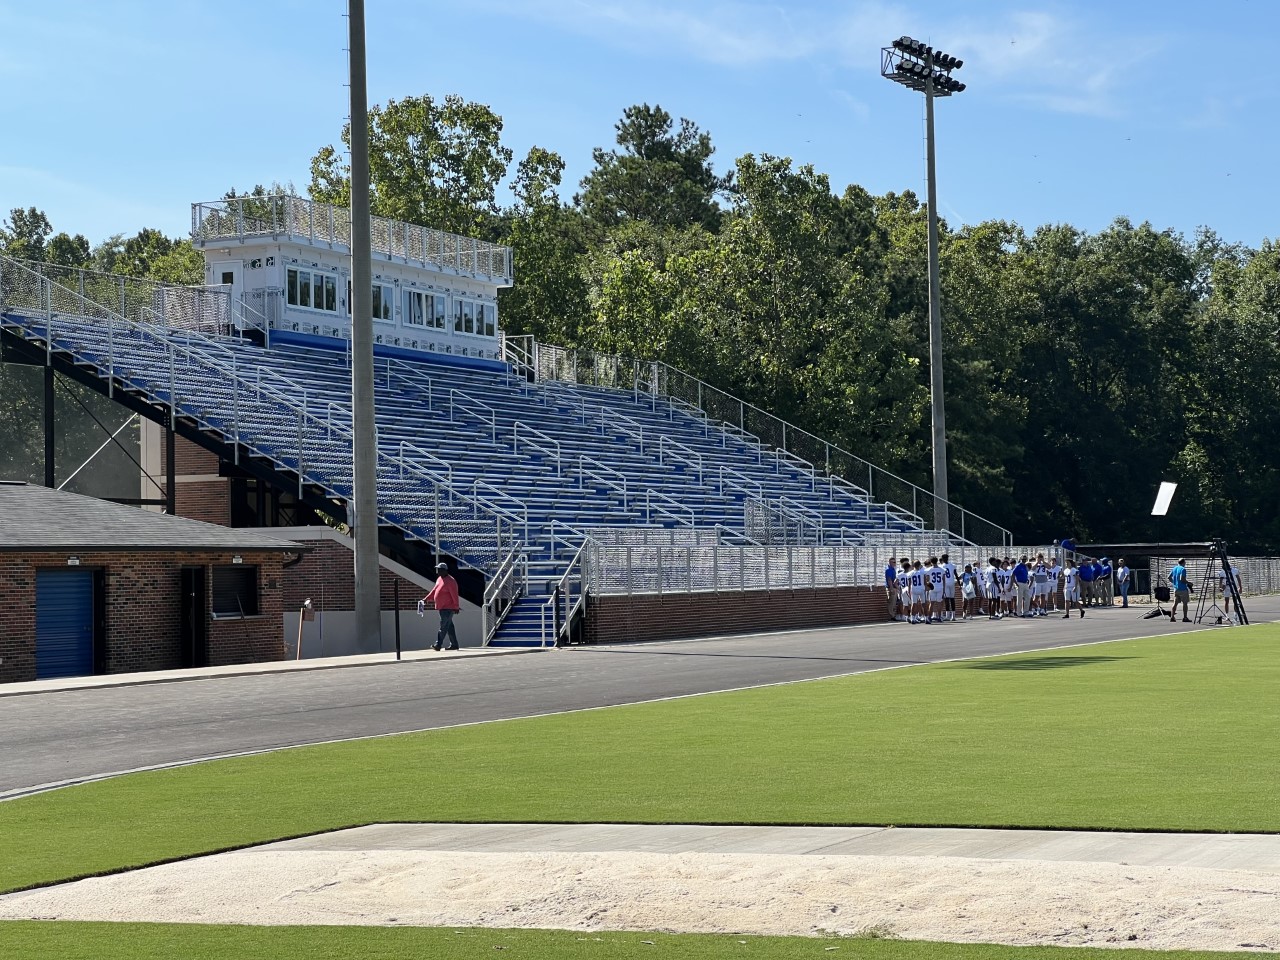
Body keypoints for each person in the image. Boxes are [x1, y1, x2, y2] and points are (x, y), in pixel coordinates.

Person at [423, 561, 462, 650]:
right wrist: (426, 599)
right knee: (449, 627)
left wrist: (456, 606)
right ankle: (454, 644)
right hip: (441, 607)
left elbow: (454, 595)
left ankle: (438, 644)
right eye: (438, 569)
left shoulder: (451, 581)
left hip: (448, 608)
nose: (438, 571)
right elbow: (434, 591)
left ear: (445, 570)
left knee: (443, 626)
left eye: (440, 570)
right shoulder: (439, 579)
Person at [1168, 558, 1191, 623]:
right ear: (1183, 562)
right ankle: (1185, 617)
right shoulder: (1183, 569)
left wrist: (1174, 583)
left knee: (1175, 603)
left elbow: (1169, 577)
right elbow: (1182, 579)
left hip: (1176, 589)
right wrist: (1188, 583)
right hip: (1183, 589)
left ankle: (1172, 617)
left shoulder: (1174, 568)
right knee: (1185, 603)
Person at [940, 553, 958, 622]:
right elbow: (956, 574)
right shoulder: (952, 565)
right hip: (952, 583)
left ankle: (948, 615)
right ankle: (953, 615)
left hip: (946, 583)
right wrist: (959, 583)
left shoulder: (941, 566)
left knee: (947, 599)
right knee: (952, 599)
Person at [884, 556, 900, 621]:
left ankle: (893, 614)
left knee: (894, 602)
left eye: (895, 562)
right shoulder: (888, 570)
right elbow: (889, 579)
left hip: (894, 587)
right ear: (890, 562)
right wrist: (891, 588)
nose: (894, 563)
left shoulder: (893, 569)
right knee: (891, 602)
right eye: (893, 562)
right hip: (891, 587)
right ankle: (892, 615)